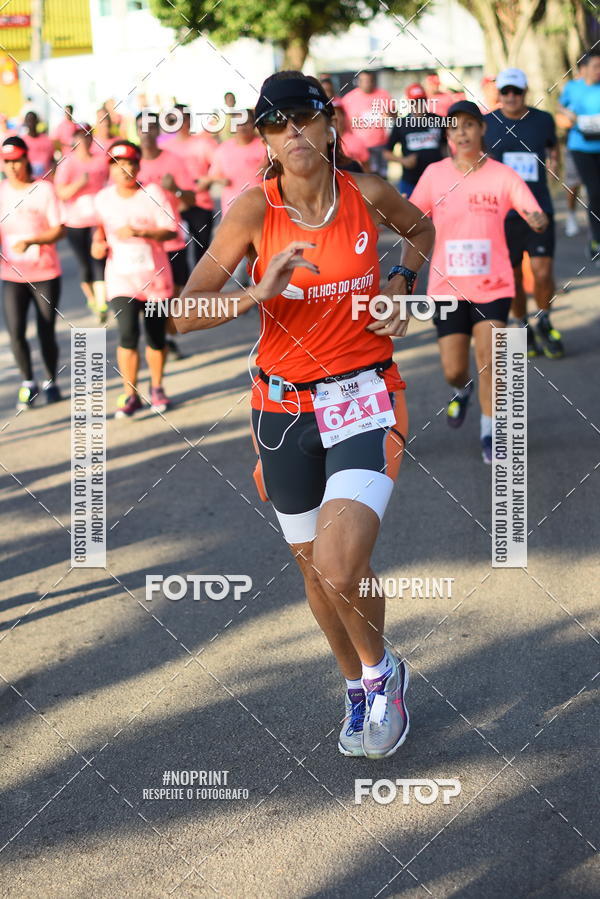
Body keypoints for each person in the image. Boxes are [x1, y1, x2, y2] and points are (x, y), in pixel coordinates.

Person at [172, 71, 435, 759]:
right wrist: (253, 292)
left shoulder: (366, 193)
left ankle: (383, 675)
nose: (291, 131)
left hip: (365, 399)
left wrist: (405, 284)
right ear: (263, 137)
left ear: (329, 125)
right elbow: (180, 312)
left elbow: (421, 228)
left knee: (342, 564)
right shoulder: (254, 212)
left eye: (303, 117)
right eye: (274, 122)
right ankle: (353, 684)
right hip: (282, 411)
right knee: (315, 573)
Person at [410, 101, 547, 464]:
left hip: (493, 285)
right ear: (448, 134)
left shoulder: (502, 175)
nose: (461, 132)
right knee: (454, 368)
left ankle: (491, 433)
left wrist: (537, 219)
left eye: (469, 125)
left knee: (492, 361)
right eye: (454, 127)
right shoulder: (434, 174)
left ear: (482, 129)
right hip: (446, 288)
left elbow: (531, 208)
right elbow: (411, 217)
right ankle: (461, 389)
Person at [92, 140, 176, 417]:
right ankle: (130, 394)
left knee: (155, 336)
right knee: (127, 334)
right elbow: (100, 232)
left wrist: (142, 233)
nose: (125, 170)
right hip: (121, 279)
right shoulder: (103, 199)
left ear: (139, 166)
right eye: (119, 165)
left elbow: (171, 231)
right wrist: (97, 244)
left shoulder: (153, 193)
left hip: (155, 280)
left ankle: (157, 387)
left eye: (130, 164)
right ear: (110, 169)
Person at [484, 68, 562, 359]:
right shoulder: (487, 123)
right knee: (514, 276)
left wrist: (555, 168)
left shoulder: (543, 120)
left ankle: (544, 318)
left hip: (538, 208)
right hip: (504, 214)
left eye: (516, 91)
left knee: (543, 273)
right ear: (499, 94)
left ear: (525, 92)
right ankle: (522, 324)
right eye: (506, 92)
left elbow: (554, 149)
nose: (511, 97)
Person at [0, 137, 64, 409]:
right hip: (12, 275)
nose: (13, 167)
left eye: (17, 160)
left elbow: (59, 228)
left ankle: (51, 381)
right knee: (15, 331)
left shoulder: (43, 190)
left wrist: (34, 241)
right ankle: (28, 382)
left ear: (27, 159)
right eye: (7, 162)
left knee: (45, 330)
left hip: (45, 273)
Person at [136, 112, 196, 358]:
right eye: (141, 128)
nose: (146, 133)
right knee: (152, 296)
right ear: (136, 131)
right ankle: (159, 339)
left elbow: (191, 200)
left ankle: (167, 334)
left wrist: (176, 190)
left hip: (173, 239)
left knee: (177, 292)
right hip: (145, 244)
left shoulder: (174, 160)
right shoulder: (131, 163)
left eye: (151, 127)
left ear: (158, 132)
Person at [54, 123, 109, 322]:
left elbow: (109, 186)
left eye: (86, 136)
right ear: (74, 140)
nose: (83, 140)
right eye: (79, 136)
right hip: (75, 222)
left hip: (97, 220)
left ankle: (102, 303)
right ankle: (92, 298)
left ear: (91, 139)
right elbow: (60, 193)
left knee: (99, 259)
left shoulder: (101, 162)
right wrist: (79, 184)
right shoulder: (67, 163)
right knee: (84, 264)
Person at [559, 48, 600, 266]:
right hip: (581, 147)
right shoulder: (573, 88)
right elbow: (560, 106)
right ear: (584, 69)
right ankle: (596, 240)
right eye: (595, 66)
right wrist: (569, 116)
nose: (598, 71)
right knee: (594, 191)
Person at [167, 104, 218, 264]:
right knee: (176, 255)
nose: (182, 122)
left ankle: (201, 287)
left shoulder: (203, 143)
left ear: (191, 119)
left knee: (201, 253)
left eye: (185, 118)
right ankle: (180, 288)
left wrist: (208, 179)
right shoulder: (165, 147)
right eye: (176, 119)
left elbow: (220, 165)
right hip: (174, 206)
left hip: (200, 204)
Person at [384, 83, 446, 198]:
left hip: (437, 179)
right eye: (414, 102)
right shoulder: (401, 124)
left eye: (421, 101)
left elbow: (447, 147)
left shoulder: (438, 120)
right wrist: (403, 160)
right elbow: (386, 153)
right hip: (411, 181)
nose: (418, 105)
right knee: (410, 214)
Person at [341, 70, 392, 176]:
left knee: (381, 178)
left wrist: (390, 114)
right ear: (358, 82)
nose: (367, 83)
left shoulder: (383, 94)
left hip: (380, 145)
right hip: (359, 147)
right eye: (364, 81)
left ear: (373, 81)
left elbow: (394, 114)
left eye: (369, 81)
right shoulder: (348, 99)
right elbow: (343, 122)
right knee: (362, 177)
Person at [331, 102, 370, 171]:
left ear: (343, 117)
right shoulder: (323, 143)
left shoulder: (356, 141)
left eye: (339, 114)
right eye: (333, 115)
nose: (337, 118)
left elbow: (366, 167)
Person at [22, 111, 55, 179]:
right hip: (29, 181)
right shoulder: (22, 141)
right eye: (29, 120)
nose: (31, 123)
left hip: (46, 180)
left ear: (37, 121)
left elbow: (52, 160)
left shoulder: (47, 140)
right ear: (25, 123)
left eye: (33, 120)